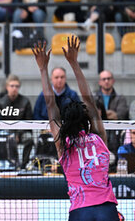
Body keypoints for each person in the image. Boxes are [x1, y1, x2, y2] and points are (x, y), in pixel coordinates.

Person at [32, 36, 118, 220]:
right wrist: (74, 63)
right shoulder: (98, 136)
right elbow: (89, 100)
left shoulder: (63, 144)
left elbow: (50, 104)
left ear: (65, 121)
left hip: (80, 210)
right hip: (107, 209)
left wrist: (42, 68)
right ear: (86, 118)